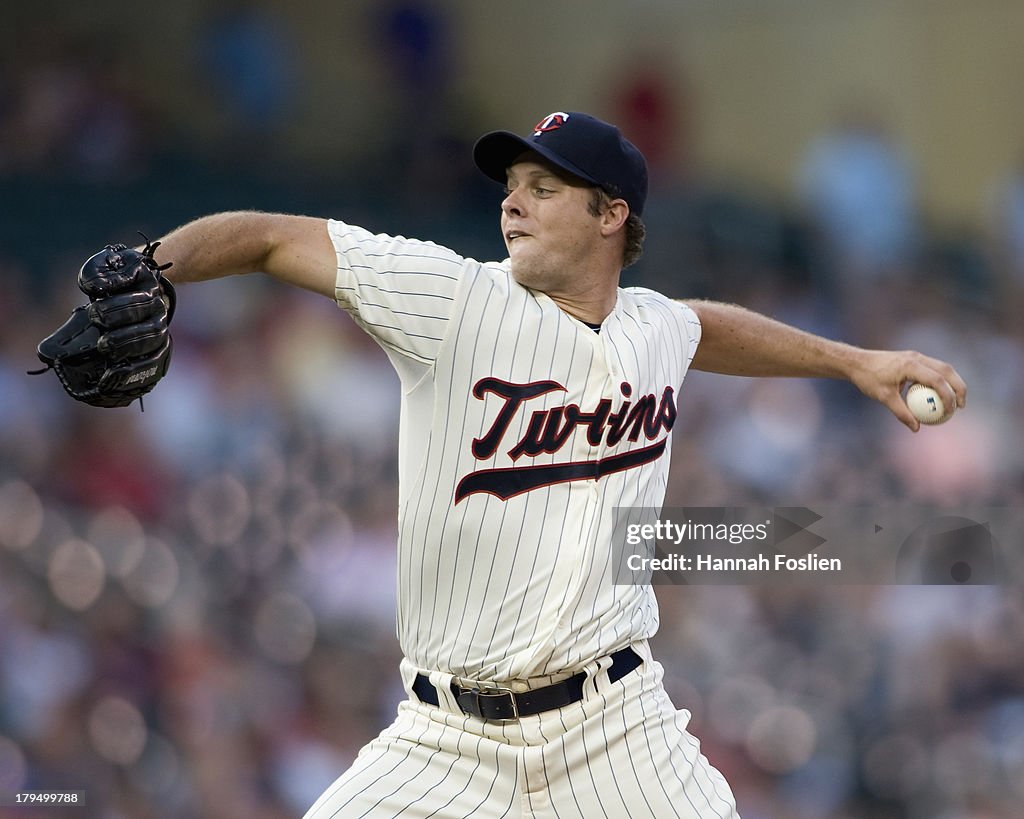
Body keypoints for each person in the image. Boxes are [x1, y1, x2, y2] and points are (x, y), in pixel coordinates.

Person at [150, 111, 966, 818]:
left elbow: (703, 330)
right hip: (447, 739)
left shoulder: (653, 326)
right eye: (512, 185)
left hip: (616, 727)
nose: (511, 201)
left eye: (543, 187)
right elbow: (271, 239)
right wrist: (152, 268)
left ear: (611, 214)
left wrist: (853, 361)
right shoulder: (452, 299)